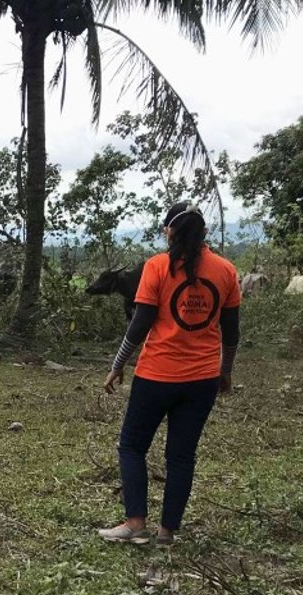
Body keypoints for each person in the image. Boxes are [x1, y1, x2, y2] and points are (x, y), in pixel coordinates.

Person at [99, 201, 241, 547]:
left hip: (156, 376)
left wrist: (117, 365)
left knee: (132, 445)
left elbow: (140, 324)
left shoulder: (157, 267)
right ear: (203, 233)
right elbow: (232, 332)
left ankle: (135, 523)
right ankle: (167, 533)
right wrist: (225, 372)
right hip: (203, 379)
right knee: (181, 455)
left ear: (169, 231)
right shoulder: (225, 270)